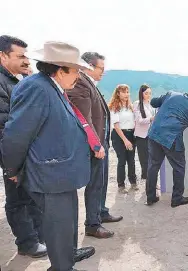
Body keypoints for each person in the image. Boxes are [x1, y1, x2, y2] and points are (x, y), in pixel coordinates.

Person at [1, 41, 95, 270]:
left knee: (66, 226)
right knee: (58, 228)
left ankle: (67, 258)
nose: (78, 76)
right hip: (49, 175)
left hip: (61, 174)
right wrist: (12, 169)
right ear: (59, 69)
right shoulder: (37, 88)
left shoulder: (52, 86)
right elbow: (16, 135)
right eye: (75, 71)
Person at [0, 35, 46, 258]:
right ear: (2, 56)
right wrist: (12, 164)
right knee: (17, 200)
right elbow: (5, 127)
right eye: (20, 57)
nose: (26, 61)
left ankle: (38, 236)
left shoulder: (14, 81)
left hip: (23, 153)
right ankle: (27, 243)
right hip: (12, 155)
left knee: (30, 196)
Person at [68, 51, 120, 239]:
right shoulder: (80, 82)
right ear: (89, 66)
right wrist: (96, 145)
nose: (103, 72)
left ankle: (101, 211)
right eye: (101, 68)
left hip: (101, 142)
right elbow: (84, 119)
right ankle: (92, 223)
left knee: (102, 181)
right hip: (94, 145)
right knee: (95, 184)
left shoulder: (90, 84)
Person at [146, 86, 188, 207]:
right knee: (179, 167)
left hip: (154, 134)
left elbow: (153, 102)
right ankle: (176, 199)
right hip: (171, 139)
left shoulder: (171, 94)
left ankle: (151, 197)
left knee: (153, 166)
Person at [109, 84, 138, 193]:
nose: (127, 94)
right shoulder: (114, 107)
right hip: (119, 135)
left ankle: (133, 182)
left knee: (131, 160)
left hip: (131, 134)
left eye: (127, 92)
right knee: (122, 160)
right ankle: (121, 185)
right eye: (124, 92)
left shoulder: (130, 106)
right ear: (118, 93)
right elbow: (116, 125)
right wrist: (125, 140)